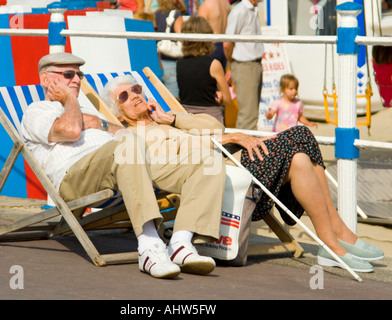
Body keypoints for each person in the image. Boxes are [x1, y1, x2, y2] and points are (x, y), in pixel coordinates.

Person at [101, 74, 384, 273]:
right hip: (219, 172)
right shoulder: (135, 136)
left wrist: (174, 118)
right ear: (120, 113)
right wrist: (217, 140)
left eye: (136, 89)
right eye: (124, 96)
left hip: (233, 161)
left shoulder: (165, 120)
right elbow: (174, 161)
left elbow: (212, 124)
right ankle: (335, 239)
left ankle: (334, 239)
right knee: (300, 134)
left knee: (299, 157)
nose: (135, 96)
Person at [21, 52, 224, 279]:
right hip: (75, 176)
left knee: (207, 161)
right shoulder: (36, 111)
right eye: (68, 74)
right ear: (47, 80)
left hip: (120, 165)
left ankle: (180, 244)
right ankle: (149, 247)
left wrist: (98, 122)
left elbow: (124, 132)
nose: (77, 80)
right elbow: (71, 131)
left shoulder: (89, 112)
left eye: (79, 74)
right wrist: (70, 101)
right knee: (129, 142)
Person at [177, 16, 231, 124]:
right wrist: (218, 98)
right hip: (210, 119)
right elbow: (227, 99)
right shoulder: (214, 64)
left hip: (187, 119)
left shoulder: (179, 63)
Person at [223, 0, 264, 130]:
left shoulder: (252, 8)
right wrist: (233, 63)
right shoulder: (239, 11)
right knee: (248, 116)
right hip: (244, 65)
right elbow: (227, 43)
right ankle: (244, 149)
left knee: (251, 113)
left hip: (252, 64)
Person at [155, 0, 184, 98]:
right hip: (171, 61)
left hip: (158, 60)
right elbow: (182, 37)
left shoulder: (156, 13)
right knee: (173, 99)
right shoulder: (176, 14)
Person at [198, 0, 230, 69]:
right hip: (223, 46)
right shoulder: (225, 3)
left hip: (211, 47)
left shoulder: (205, 6)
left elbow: (200, 31)